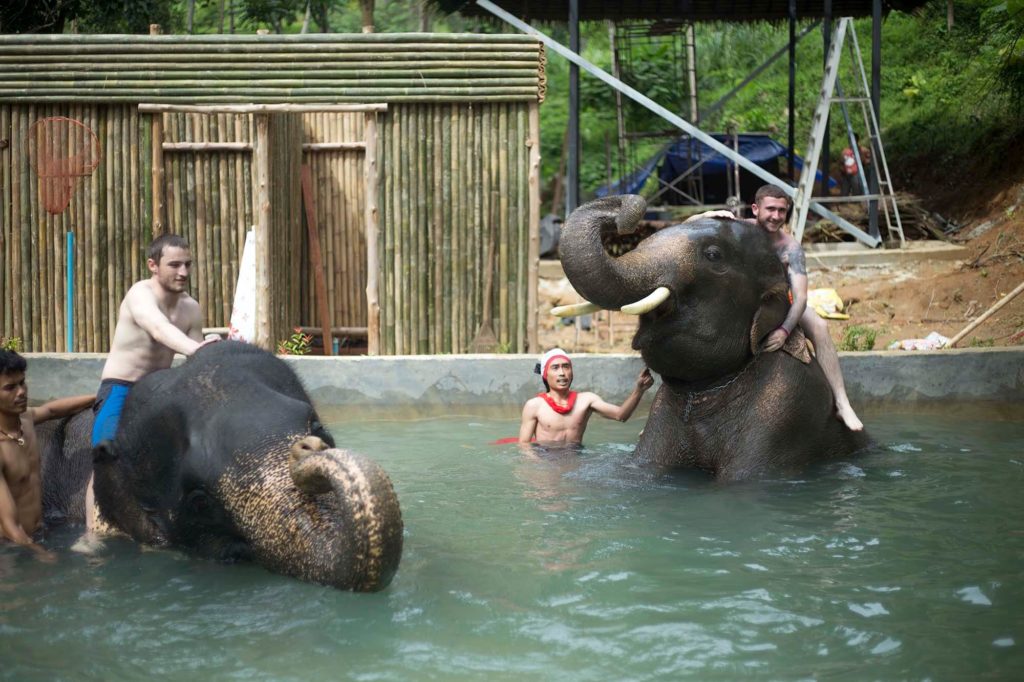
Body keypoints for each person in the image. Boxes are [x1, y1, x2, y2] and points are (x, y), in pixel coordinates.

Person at [687, 185, 864, 431]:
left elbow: (800, 297)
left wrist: (784, 330)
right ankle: (673, 412)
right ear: (756, 208)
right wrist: (708, 215)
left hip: (780, 301)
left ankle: (843, 403)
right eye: (771, 209)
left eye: (782, 211)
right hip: (738, 300)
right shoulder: (739, 229)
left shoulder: (790, 248)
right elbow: (687, 227)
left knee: (821, 326)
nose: (776, 216)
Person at [91, 233, 217, 447]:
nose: (183, 272)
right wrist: (198, 349)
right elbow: (160, 329)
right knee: (106, 453)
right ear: (153, 265)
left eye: (188, 265)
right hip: (122, 388)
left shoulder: (191, 307)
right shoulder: (140, 294)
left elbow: (197, 364)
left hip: (160, 391)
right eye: (174, 265)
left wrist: (212, 350)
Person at [0, 349, 94, 559]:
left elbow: (52, 410)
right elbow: (9, 525)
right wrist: (41, 555)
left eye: (22, 383)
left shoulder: (26, 421)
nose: (21, 392)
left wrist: (96, 397)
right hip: (10, 548)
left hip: (39, 533)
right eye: (10, 388)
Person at [518, 348, 654, 447]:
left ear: (572, 372)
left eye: (566, 367)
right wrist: (538, 472)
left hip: (577, 462)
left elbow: (621, 415)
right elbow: (524, 446)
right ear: (545, 375)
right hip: (546, 462)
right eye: (555, 368)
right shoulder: (534, 406)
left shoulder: (586, 400)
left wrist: (639, 390)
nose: (562, 373)